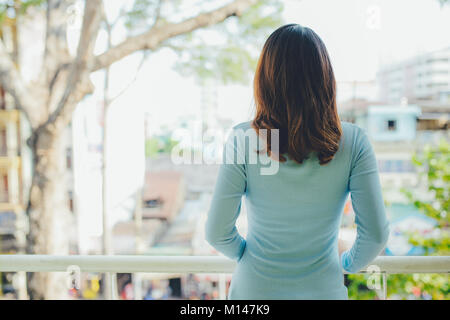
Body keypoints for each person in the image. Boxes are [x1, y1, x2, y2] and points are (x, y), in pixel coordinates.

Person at [205, 24, 390, 300]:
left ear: (265, 80)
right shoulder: (354, 142)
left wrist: (247, 255)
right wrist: (346, 264)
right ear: (326, 78)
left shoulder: (242, 139)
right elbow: (375, 236)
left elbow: (217, 233)